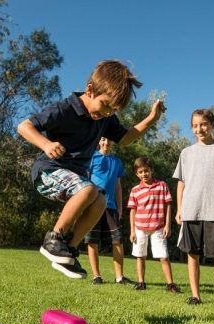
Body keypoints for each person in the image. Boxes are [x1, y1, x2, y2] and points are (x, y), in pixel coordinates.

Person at [17, 60, 165, 279]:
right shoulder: (65, 108)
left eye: (113, 110)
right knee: (87, 190)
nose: (107, 113)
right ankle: (53, 240)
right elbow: (24, 126)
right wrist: (46, 145)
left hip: (73, 179)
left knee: (100, 200)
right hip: (47, 173)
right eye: (105, 105)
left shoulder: (105, 119)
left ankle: (69, 248)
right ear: (90, 90)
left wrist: (152, 119)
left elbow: (126, 139)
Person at [173, 109, 214, 306]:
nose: (199, 129)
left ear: (212, 125)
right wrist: (179, 209)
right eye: (195, 125)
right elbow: (181, 183)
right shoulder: (186, 153)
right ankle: (195, 296)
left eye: (203, 124)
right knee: (192, 254)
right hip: (191, 209)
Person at [84, 137, 135, 285]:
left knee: (117, 241)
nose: (106, 143)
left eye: (109, 140)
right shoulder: (92, 157)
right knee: (92, 241)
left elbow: (118, 186)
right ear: (99, 141)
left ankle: (119, 277)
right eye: (103, 139)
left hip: (111, 207)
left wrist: (119, 207)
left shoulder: (117, 161)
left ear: (113, 142)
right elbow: (85, 180)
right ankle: (96, 276)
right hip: (93, 205)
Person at [127, 157, 181, 293]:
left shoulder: (162, 185)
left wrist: (167, 225)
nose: (144, 174)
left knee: (163, 256)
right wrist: (132, 231)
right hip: (140, 228)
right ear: (136, 174)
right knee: (140, 256)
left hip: (158, 228)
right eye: (140, 172)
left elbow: (168, 205)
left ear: (151, 170)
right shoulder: (135, 190)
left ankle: (170, 284)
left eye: (146, 171)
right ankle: (141, 282)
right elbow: (132, 211)